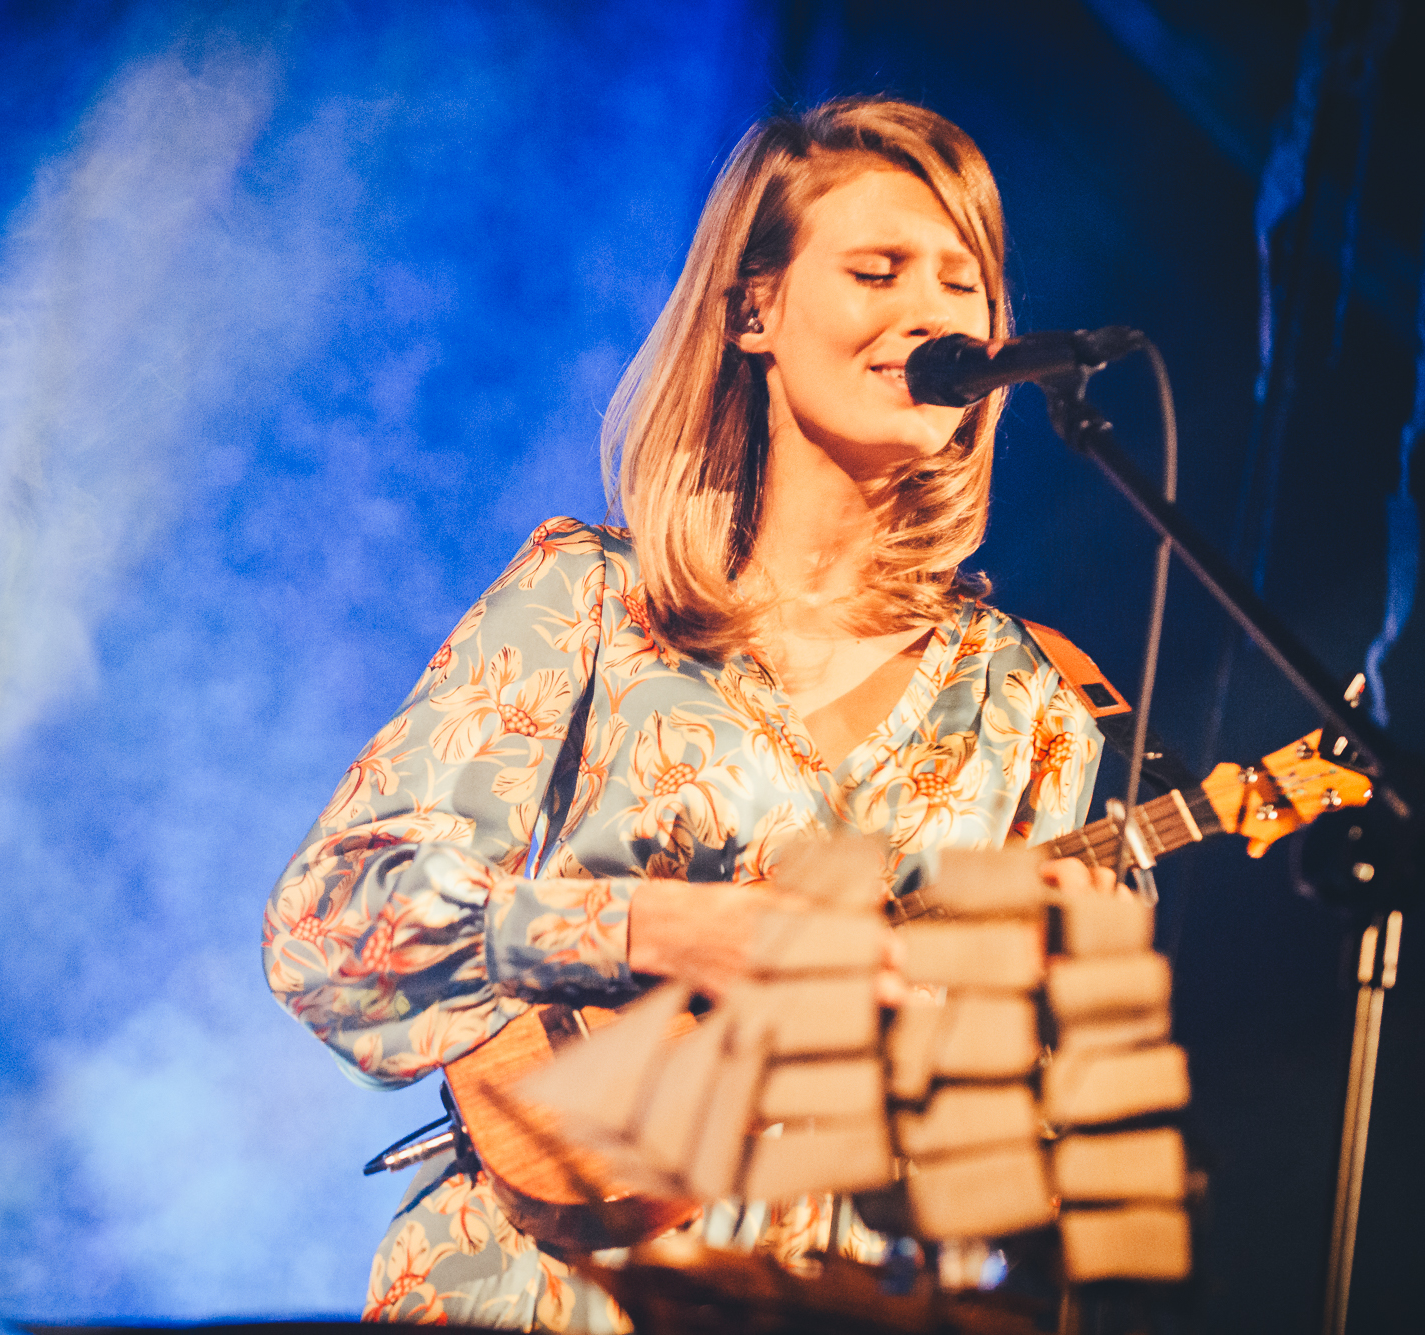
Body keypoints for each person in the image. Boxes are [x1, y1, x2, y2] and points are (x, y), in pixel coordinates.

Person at [264, 96, 1116, 1331]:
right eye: (876, 271)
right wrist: (665, 928)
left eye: (961, 283)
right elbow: (334, 925)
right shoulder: (591, 600)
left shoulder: (1028, 702)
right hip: (541, 1286)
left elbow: (1021, 1134)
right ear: (751, 310)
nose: (930, 314)